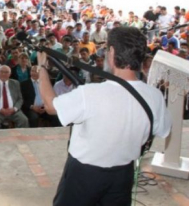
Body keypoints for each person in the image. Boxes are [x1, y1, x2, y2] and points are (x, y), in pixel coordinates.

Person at [37, 27, 172, 206]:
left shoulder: (91, 93)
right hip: (123, 174)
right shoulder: (155, 96)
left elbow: (50, 106)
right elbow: (161, 130)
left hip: (83, 175)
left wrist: (41, 69)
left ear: (112, 52)